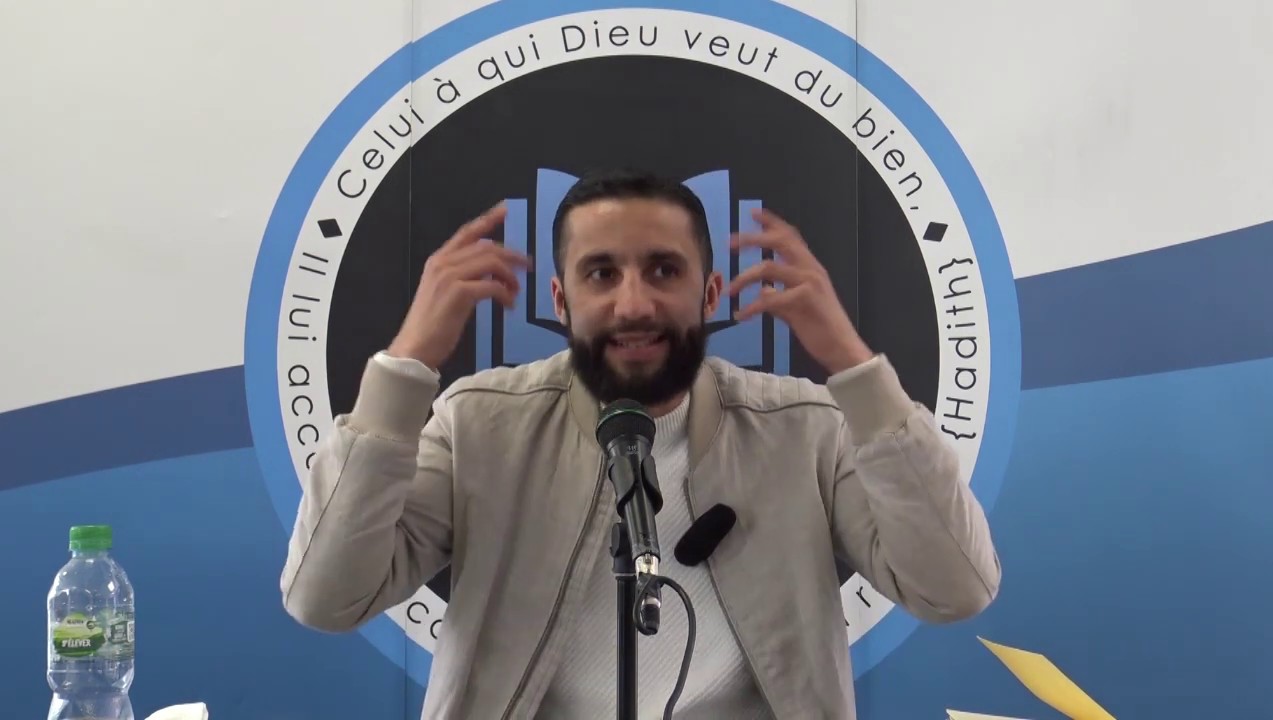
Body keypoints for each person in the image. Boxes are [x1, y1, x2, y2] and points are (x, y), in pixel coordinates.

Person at [280, 168, 1000, 720]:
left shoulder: (804, 428)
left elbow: (954, 589)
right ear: (560, 301)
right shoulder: (479, 424)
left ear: (709, 294)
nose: (633, 304)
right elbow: (326, 598)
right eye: (601, 274)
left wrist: (857, 372)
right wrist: (404, 369)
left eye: (664, 270)